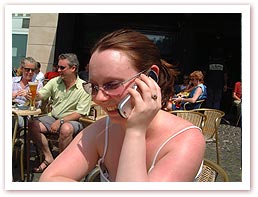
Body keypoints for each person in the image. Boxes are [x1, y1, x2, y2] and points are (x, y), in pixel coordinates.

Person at [39, 29, 205, 182]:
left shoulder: (186, 139)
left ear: (151, 77)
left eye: (112, 84)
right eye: (94, 87)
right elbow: (49, 180)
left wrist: (136, 130)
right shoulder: (103, 130)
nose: (99, 98)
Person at [28, 53, 92, 173]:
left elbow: (81, 113)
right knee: (32, 125)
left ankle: (63, 163)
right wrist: (34, 96)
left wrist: (61, 121)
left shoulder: (84, 86)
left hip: (73, 121)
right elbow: (42, 95)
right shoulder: (55, 81)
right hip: (53, 118)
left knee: (66, 129)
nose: (58, 70)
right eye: (58, 67)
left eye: (62, 68)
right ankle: (49, 157)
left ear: (73, 68)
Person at [12, 57, 43, 127]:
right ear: (22, 69)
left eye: (32, 70)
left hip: (25, 117)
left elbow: (38, 105)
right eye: (27, 69)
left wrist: (29, 97)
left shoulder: (37, 84)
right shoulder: (12, 81)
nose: (30, 72)